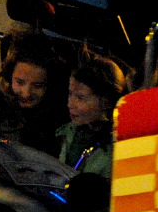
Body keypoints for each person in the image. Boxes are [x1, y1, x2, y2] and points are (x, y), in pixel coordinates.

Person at [55, 49, 128, 178]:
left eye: (80, 98)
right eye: (70, 94)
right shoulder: (67, 133)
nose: (70, 104)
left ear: (106, 102)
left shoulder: (117, 151)